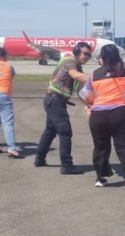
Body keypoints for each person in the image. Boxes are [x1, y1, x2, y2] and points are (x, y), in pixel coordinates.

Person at [78, 44, 125, 193]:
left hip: (98, 114)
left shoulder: (94, 75)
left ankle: (100, 177)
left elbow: (85, 95)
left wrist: (92, 104)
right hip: (120, 112)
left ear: (102, 58)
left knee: (101, 146)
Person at [34, 43, 91, 174]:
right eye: (85, 54)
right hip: (55, 100)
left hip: (53, 100)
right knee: (65, 133)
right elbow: (76, 76)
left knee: (50, 130)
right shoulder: (70, 62)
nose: (87, 57)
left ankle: (39, 158)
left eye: (89, 55)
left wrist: (86, 104)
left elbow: (79, 88)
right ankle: (66, 165)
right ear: (77, 52)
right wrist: (98, 77)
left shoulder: (78, 67)